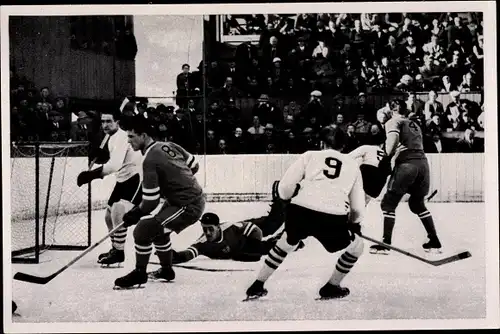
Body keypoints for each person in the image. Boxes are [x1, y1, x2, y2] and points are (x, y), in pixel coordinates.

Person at [245, 126, 366, 300]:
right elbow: (357, 207)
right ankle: (332, 286)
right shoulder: (353, 164)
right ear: (343, 146)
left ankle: (257, 284)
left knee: (286, 243)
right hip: (332, 215)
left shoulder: (309, 155)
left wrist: (289, 198)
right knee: (357, 247)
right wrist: (354, 225)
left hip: (300, 210)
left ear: (322, 143)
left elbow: (284, 188)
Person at [113, 115, 205, 289]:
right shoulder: (168, 145)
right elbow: (194, 166)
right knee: (158, 231)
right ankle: (166, 270)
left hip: (188, 205)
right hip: (184, 200)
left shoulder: (149, 159)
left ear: (144, 135)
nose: (129, 142)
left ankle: (139, 273)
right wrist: (177, 181)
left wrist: (135, 214)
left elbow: (150, 202)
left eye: (132, 137)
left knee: (143, 230)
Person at [370, 99, 442, 255]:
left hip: (407, 165)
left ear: (392, 110)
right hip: (423, 164)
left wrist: (386, 158)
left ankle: (385, 243)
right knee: (417, 204)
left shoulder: (393, 121)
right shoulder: (413, 123)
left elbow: (393, 141)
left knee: (388, 204)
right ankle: (434, 240)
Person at [76, 109, 142, 266]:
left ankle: (119, 252)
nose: (105, 125)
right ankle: (115, 248)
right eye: (103, 121)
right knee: (108, 216)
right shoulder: (110, 137)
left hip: (135, 179)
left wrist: (91, 175)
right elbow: (113, 159)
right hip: (122, 179)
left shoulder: (121, 137)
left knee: (118, 211)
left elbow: (114, 165)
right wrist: (101, 156)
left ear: (117, 122)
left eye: (108, 121)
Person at [348, 141, 392, 205]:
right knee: (364, 202)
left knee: (356, 197)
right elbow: (389, 172)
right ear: (382, 145)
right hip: (381, 177)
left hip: (368, 170)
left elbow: (349, 156)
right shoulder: (385, 154)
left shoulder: (367, 147)